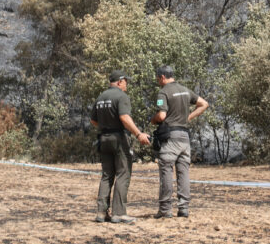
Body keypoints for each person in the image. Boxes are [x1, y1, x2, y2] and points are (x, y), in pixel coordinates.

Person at [90, 70, 150, 224]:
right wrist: (138, 134)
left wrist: (106, 126)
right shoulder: (121, 97)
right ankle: (119, 213)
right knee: (123, 173)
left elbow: (93, 121)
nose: (126, 85)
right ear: (119, 81)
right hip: (119, 138)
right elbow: (124, 117)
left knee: (106, 175)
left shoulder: (101, 97)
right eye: (126, 82)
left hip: (103, 138)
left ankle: (101, 212)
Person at [151, 65, 209, 219]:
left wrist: (153, 119)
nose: (158, 82)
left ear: (162, 77)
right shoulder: (185, 90)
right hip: (185, 137)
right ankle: (183, 208)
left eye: (158, 79)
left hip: (170, 137)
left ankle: (165, 209)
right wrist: (188, 118)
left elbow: (162, 115)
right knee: (183, 172)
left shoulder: (163, 92)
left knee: (166, 171)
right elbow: (204, 104)